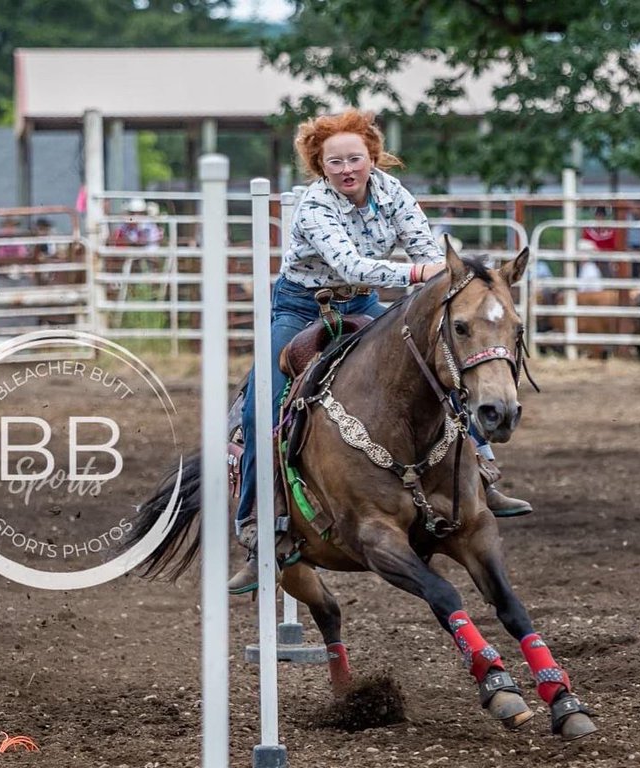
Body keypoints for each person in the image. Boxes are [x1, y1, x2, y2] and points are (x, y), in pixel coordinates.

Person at [228, 108, 532, 592]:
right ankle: (257, 528)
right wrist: (421, 276)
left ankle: (481, 474)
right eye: (335, 162)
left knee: (435, 368)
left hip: (365, 303)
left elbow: (425, 251)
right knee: (264, 404)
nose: (347, 169)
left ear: (371, 157)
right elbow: (352, 263)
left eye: (355, 158)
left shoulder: (393, 193)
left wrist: (443, 279)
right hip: (302, 307)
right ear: (320, 166)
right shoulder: (314, 206)